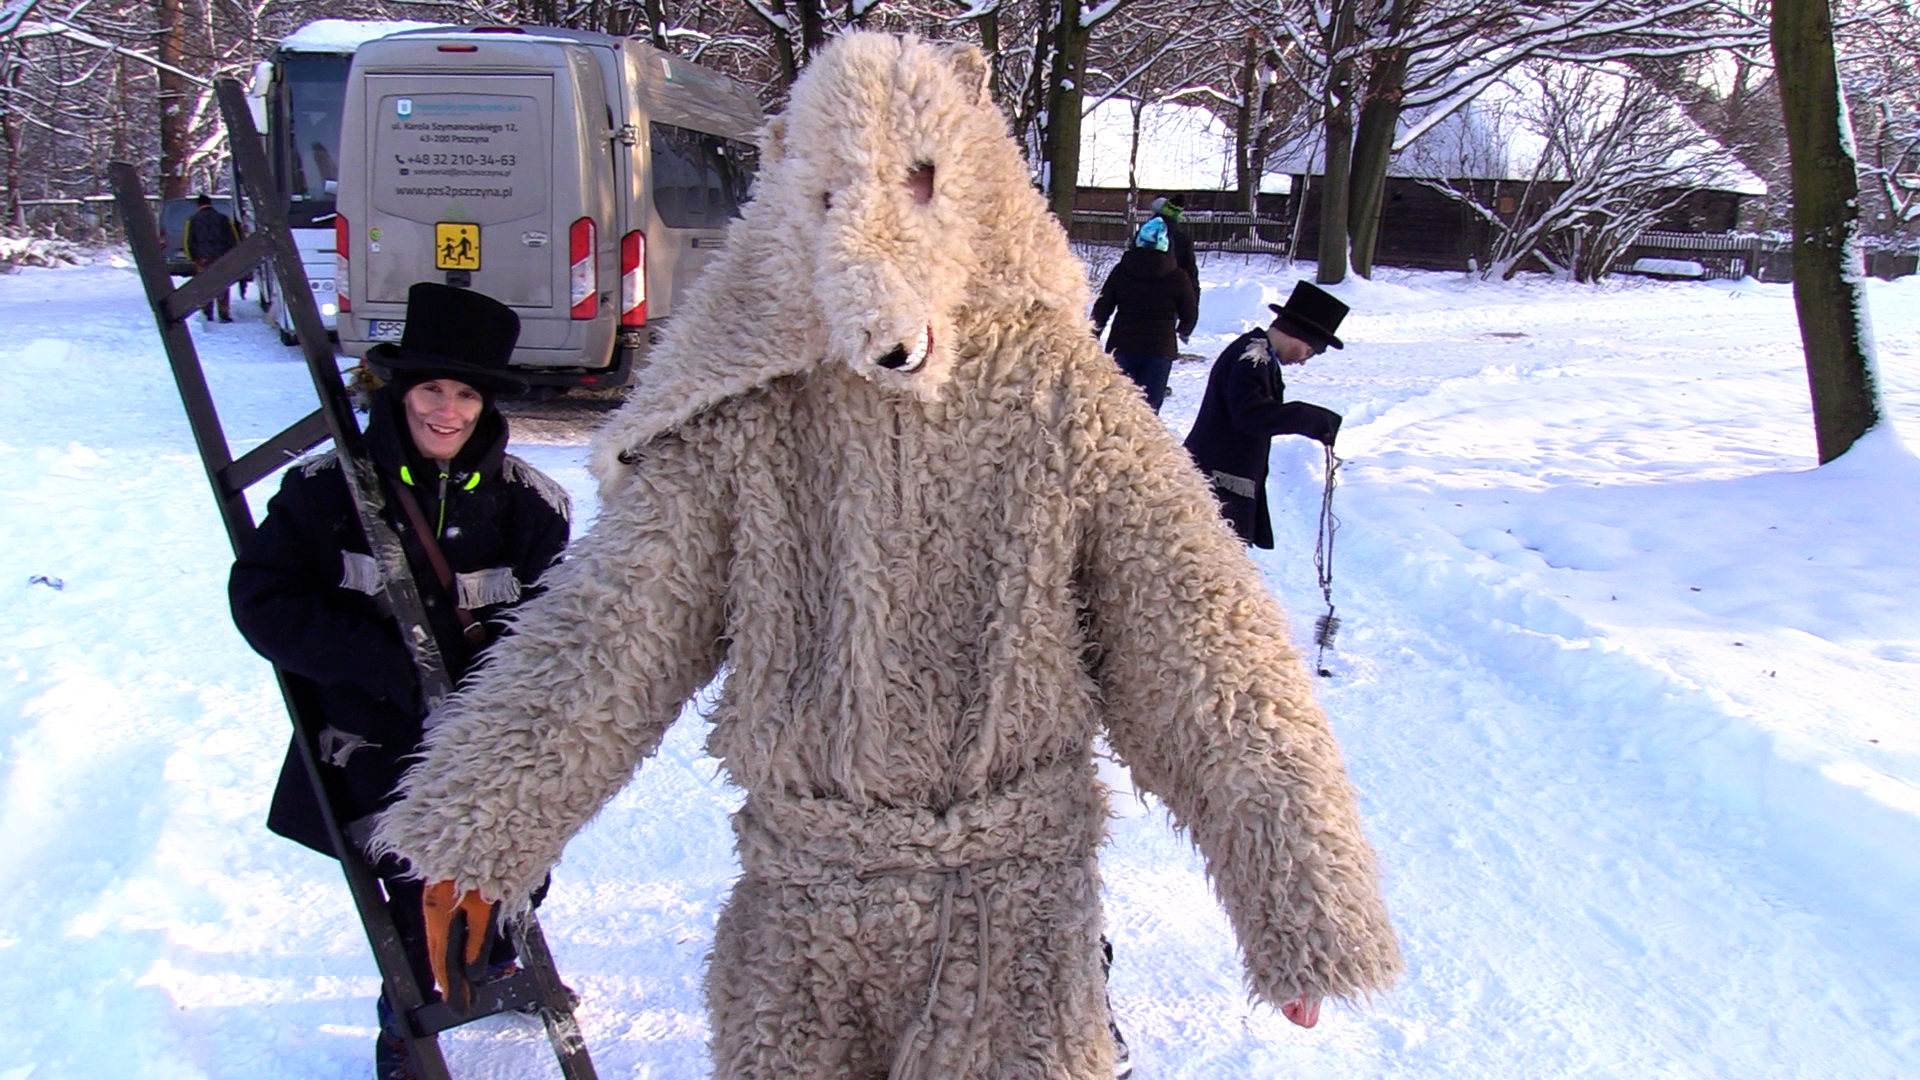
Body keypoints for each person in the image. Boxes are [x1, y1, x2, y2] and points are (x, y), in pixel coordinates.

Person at [228, 282, 571, 1080]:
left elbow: (558, 628)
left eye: (465, 395)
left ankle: (486, 964)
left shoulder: (530, 508)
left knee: (522, 863)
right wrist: (387, 668)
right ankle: (407, 1023)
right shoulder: (325, 495)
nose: (446, 411)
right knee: (418, 893)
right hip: (373, 740)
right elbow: (263, 600)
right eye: (430, 390)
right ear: (399, 390)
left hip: (488, 741)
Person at [1184, 279, 1348, 549]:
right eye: (1309, 351)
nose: (1304, 360)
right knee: (1209, 555)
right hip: (1215, 478)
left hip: (1224, 474)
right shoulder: (1251, 359)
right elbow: (1251, 416)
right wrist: (1312, 419)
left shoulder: (1260, 354)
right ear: (1298, 333)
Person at [1091, 217, 1198, 412]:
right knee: (1148, 413)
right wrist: (1184, 329)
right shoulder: (1178, 276)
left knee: (1116, 407)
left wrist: (1093, 334)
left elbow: (1103, 305)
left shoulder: (1122, 271)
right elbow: (1189, 311)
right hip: (1160, 350)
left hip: (1122, 346)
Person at [184, 194, 240, 322]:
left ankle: (207, 312)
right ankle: (224, 312)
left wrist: (193, 257)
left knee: (205, 284)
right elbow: (233, 239)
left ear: (198, 205)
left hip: (202, 258)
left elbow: (189, 241)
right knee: (222, 284)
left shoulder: (192, 220)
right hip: (222, 258)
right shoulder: (223, 219)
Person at [1149, 194, 1200, 300]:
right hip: (1172, 296)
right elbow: (1190, 270)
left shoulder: (1145, 234)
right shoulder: (1182, 237)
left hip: (1141, 296)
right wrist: (1193, 301)